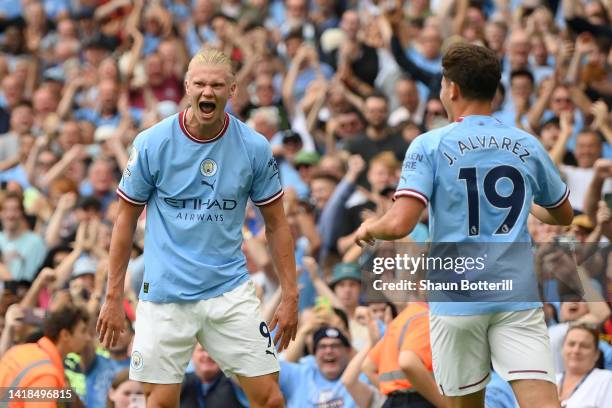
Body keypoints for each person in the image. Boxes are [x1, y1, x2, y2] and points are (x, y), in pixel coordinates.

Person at [354, 43, 574, 408]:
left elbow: (399, 223)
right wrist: (531, 207)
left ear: (451, 88)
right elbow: (564, 216)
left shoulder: (429, 144)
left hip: (457, 300)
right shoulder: (527, 144)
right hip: (515, 295)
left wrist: (369, 229)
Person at [96, 47, 298, 408]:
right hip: (164, 295)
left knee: (270, 399)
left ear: (233, 90)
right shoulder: (152, 142)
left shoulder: (254, 147)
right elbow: (124, 220)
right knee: (158, 404)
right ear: (186, 86)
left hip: (229, 291)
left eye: (217, 85)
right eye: (200, 84)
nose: (208, 92)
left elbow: (278, 224)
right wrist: (112, 297)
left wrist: (290, 294)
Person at [0, 304, 91, 407]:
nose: (88, 338)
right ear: (65, 335)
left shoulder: (21, 351)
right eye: (83, 331)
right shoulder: (45, 373)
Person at [556, 323, 612, 407]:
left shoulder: (607, 380)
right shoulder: (550, 381)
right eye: (571, 344)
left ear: (596, 354)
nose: (576, 350)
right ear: (562, 349)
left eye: (584, 346)